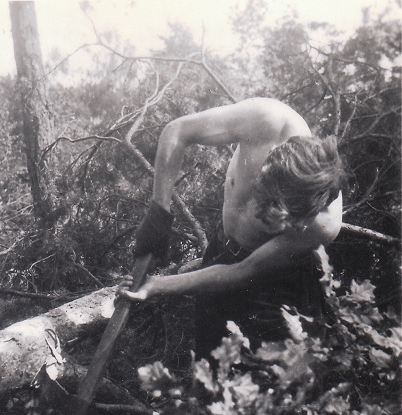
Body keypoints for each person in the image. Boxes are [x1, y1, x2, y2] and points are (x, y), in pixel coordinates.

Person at [118, 97, 346, 360]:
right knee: (211, 363)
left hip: (279, 286)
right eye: (260, 190)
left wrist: (157, 285)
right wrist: (159, 214)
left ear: (303, 217)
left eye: (276, 216)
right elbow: (177, 131)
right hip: (220, 252)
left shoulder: (323, 226)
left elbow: (243, 270)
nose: (258, 209)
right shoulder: (265, 120)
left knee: (272, 380)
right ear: (271, 159)